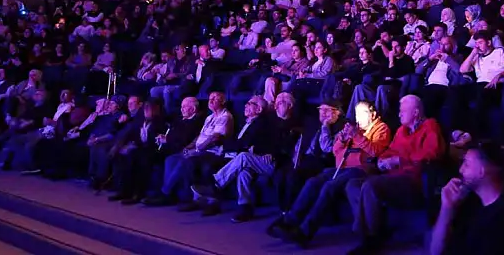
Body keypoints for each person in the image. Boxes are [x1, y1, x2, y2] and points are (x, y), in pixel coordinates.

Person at [270, 101, 392, 246]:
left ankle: (305, 231)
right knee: (313, 182)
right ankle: (289, 220)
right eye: (357, 113)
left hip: (361, 169)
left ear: (372, 114)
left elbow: (375, 151)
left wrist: (357, 137)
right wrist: (342, 139)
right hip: (341, 168)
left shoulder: (381, 129)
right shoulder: (354, 128)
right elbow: (335, 151)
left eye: (362, 113)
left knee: (330, 187)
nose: (358, 117)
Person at [344, 95, 446, 255]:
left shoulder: (430, 126)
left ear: (416, 112)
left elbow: (432, 154)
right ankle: (374, 230)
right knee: (352, 185)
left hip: (413, 182)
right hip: (391, 179)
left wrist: (400, 161)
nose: (399, 114)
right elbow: (389, 152)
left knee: (372, 186)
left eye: (403, 111)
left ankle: (371, 238)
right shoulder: (401, 131)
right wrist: (382, 161)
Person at [189, 95, 279, 220]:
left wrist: (268, 152)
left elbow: (247, 143)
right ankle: (245, 208)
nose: (246, 105)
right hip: (253, 159)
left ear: (259, 110)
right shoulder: (247, 122)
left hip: (267, 162)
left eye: (250, 103)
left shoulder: (262, 122)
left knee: (243, 157)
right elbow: (242, 143)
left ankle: (216, 185)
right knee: (243, 172)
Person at [143, 92, 234, 207]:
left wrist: (198, 149)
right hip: (199, 150)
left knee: (184, 161)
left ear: (223, 102)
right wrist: (189, 147)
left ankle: (165, 194)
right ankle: (171, 194)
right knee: (171, 159)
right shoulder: (210, 117)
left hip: (211, 152)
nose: (210, 101)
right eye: (210, 98)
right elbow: (200, 137)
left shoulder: (224, 117)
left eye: (214, 99)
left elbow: (215, 138)